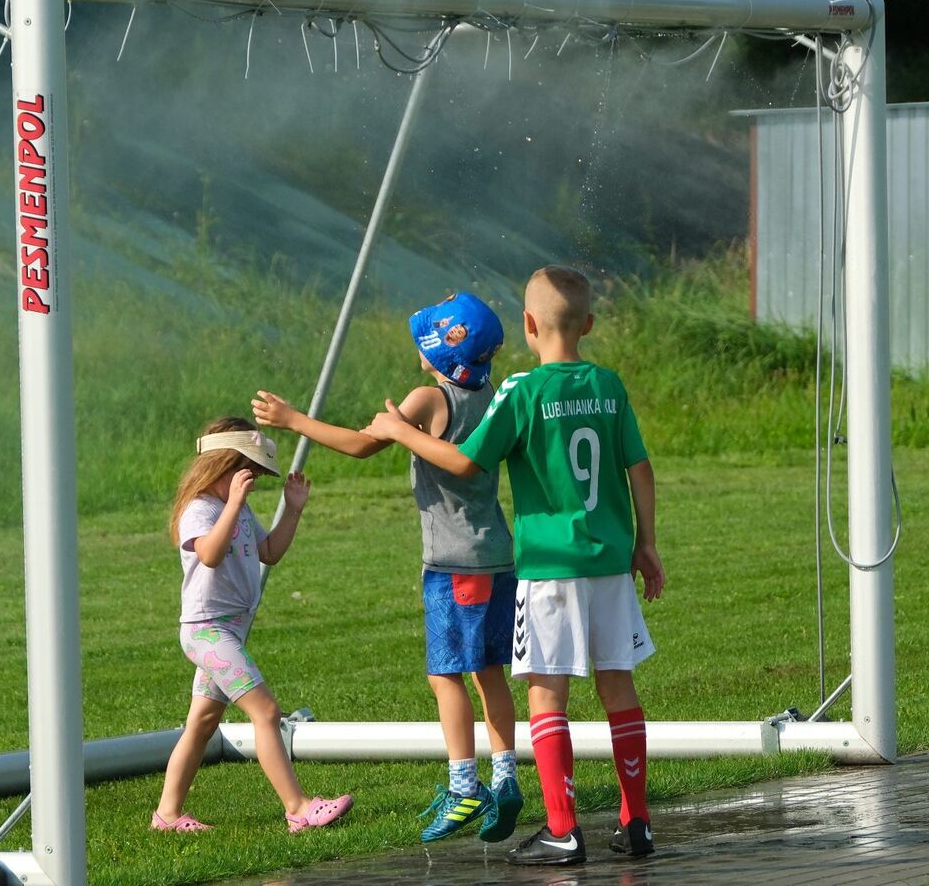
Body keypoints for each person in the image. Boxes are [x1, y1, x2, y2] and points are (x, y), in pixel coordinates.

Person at [366, 266, 665, 867]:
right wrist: (646, 543)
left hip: (550, 570)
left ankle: (562, 829)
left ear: (529, 326)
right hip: (609, 562)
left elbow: (465, 464)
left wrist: (400, 430)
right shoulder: (610, 385)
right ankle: (637, 823)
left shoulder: (522, 393)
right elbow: (640, 468)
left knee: (547, 697)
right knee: (619, 689)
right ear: (590, 324)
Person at [251, 291, 524, 844]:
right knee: (489, 672)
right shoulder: (492, 395)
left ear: (443, 355)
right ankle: (507, 776)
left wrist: (292, 419)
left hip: (454, 563)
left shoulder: (429, 398)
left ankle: (464, 784)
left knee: (444, 675)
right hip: (498, 555)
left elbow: (359, 446)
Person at [153, 416, 353, 834]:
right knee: (266, 711)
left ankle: (167, 815)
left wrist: (293, 510)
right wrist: (232, 506)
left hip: (229, 631)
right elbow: (209, 553)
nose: (254, 483)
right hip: (208, 631)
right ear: (222, 466)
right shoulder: (201, 509)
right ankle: (298, 808)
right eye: (249, 472)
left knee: (203, 723)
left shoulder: (236, 510)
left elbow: (269, 552)